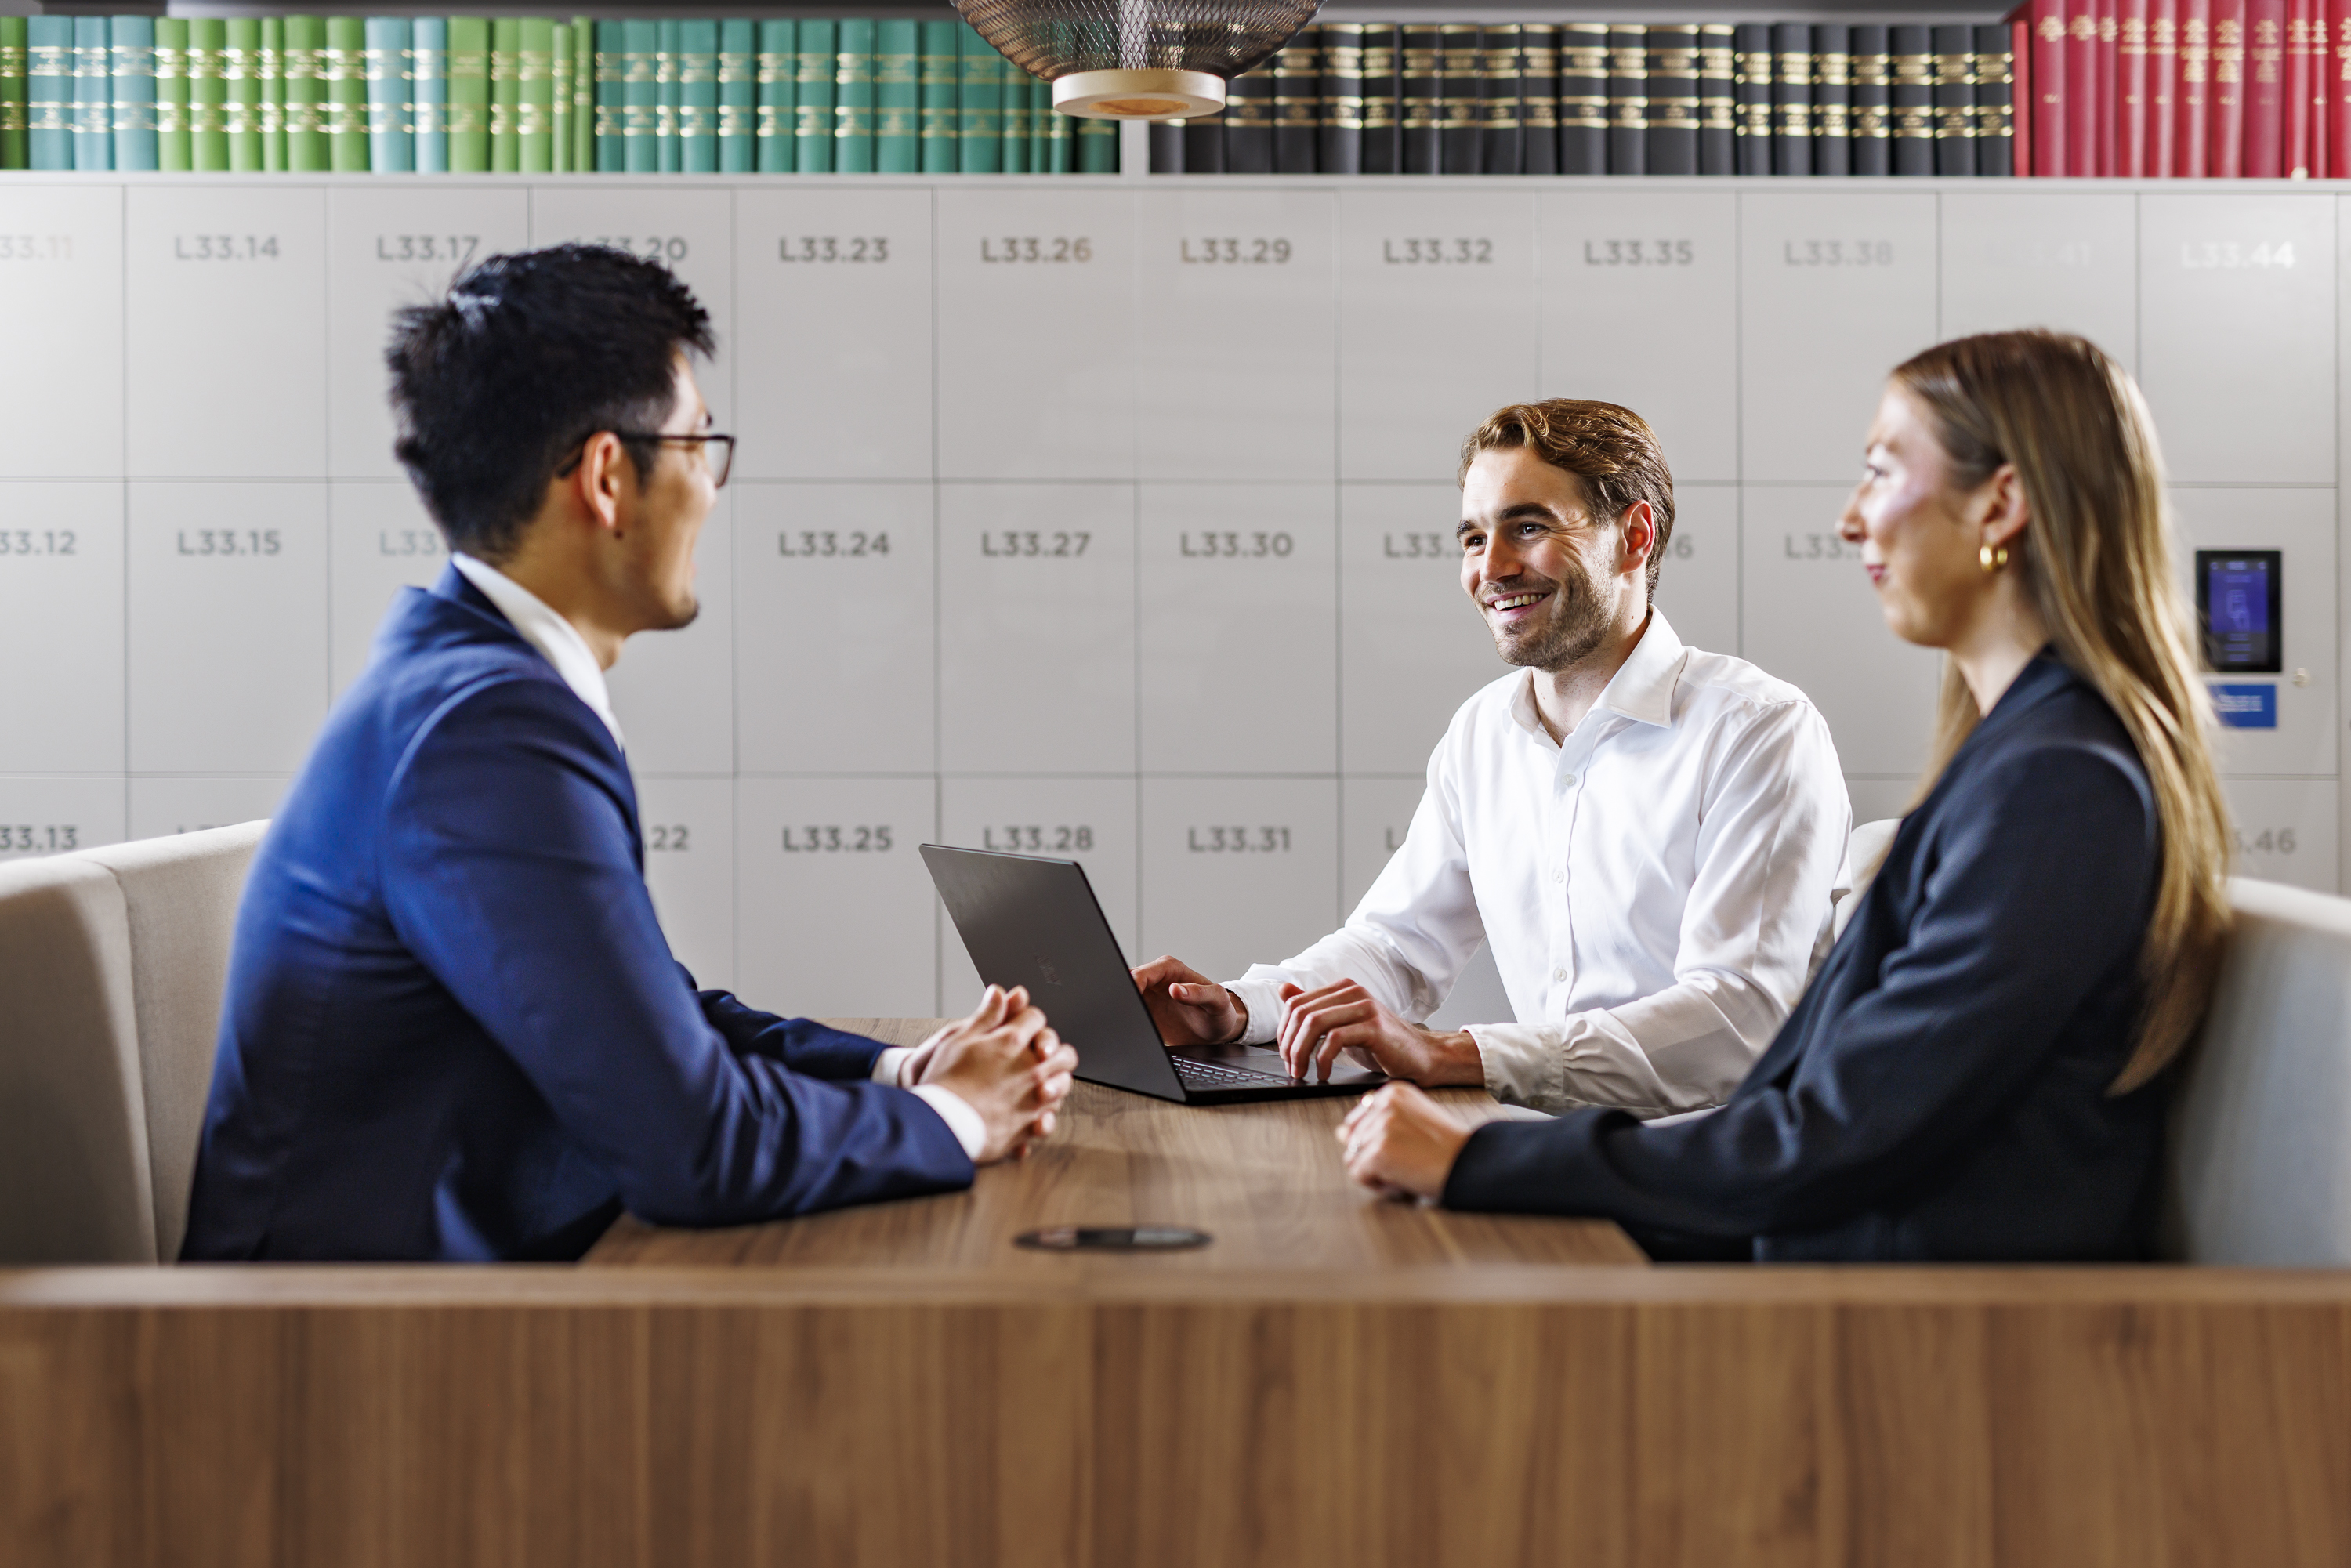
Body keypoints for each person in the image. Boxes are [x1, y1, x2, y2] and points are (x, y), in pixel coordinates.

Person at [182, 246, 1077, 1262]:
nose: (712, 487)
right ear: (609, 476)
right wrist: (962, 1118)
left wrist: (905, 1072)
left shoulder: (466, 686)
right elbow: (691, 1149)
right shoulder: (485, 733)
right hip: (339, 1365)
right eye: (700, 445)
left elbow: (647, 1013)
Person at [1337, 331, 2234, 1263]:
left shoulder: (2059, 782)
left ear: (2001, 503)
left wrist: (1485, 1159)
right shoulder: (2024, 758)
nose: (1852, 520)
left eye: (1882, 472)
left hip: (1910, 1329)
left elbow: (1831, 1135)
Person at [1133, 400, 1850, 1117]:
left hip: (1710, 1184)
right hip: (1544, 1153)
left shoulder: (1759, 731)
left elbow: (1739, 1020)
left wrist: (1458, 1054)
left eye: (1528, 528)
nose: (1493, 568)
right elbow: (1395, 948)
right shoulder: (1482, 733)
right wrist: (1237, 1009)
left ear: (1634, 536)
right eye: (1474, 539)